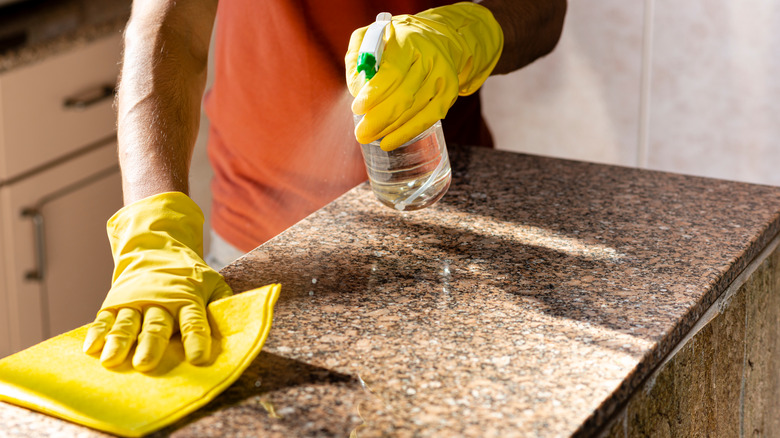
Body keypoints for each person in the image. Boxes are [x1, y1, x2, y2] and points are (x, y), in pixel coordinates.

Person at [82, 0, 567, 372]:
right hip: (262, 243)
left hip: (451, 224)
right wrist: (154, 229)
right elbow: (169, 23)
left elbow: (543, 10)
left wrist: (463, 35)